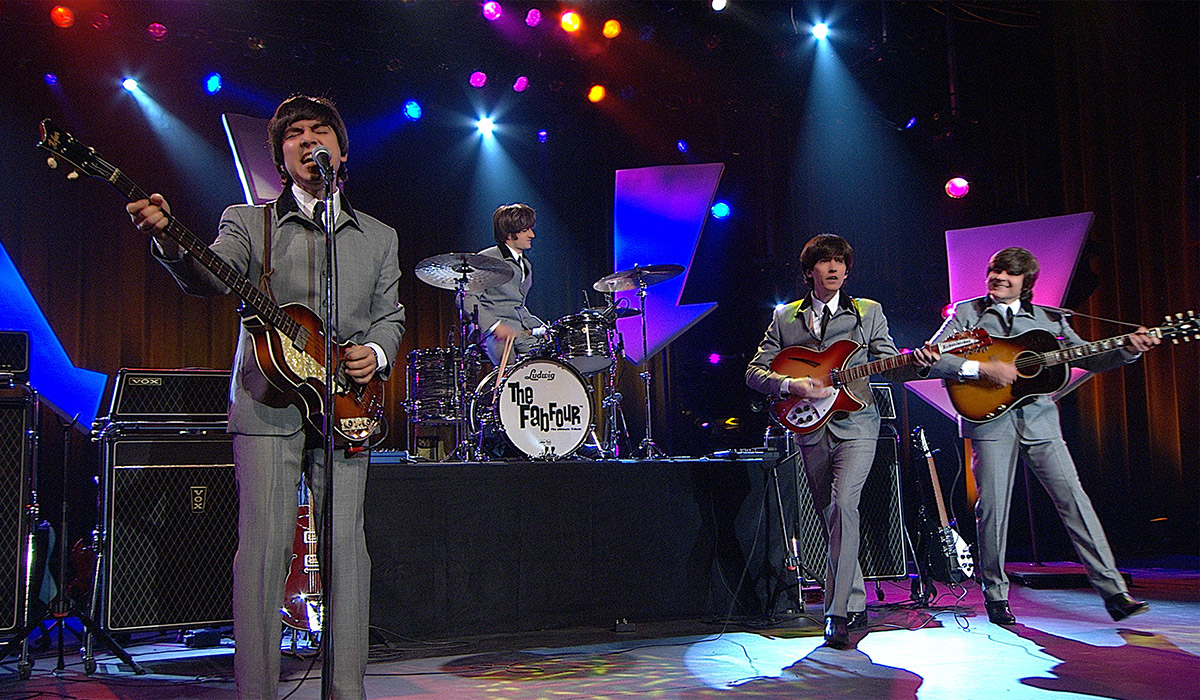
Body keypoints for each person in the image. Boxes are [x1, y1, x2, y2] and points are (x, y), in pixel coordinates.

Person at [127, 95, 405, 699]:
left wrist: (376, 354)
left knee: (345, 551)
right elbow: (209, 274)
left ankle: (345, 692)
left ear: (341, 148)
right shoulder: (246, 221)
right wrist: (172, 242)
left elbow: (392, 317)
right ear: (281, 155)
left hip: (346, 405)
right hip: (265, 402)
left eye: (320, 131)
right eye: (295, 135)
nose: (309, 142)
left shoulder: (379, 238)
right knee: (264, 552)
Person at [925, 246, 1158, 626]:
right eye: (994, 271)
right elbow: (933, 355)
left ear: (1026, 283)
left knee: (1075, 501)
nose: (998, 278)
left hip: (1040, 422)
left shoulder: (1050, 319)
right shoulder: (967, 312)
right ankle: (996, 596)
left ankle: (1114, 592)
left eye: (1008, 274)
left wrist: (1127, 350)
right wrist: (979, 369)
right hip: (989, 422)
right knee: (993, 509)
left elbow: (1087, 357)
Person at [746, 234, 936, 649]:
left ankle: (835, 614)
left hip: (858, 423)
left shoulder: (868, 312)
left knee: (843, 505)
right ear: (809, 271)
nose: (833, 268)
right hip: (809, 427)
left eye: (839, 262)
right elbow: (755, 372)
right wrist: (791, 383)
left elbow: (890, 363)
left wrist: (917, 362)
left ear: (847, 270)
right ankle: (855, 599)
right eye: (824, 262)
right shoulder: (785, 318)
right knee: (830, 513)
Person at [462, 203, 548, 367]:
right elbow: (466, 298)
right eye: (525, 230)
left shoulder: (526, 265)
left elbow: (519, 307)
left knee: (548, 355)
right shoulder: (487, 259)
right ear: (509, 234)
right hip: (491, 332)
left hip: (518, 330)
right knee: (508, 362)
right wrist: (495, 326)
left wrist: (542, 328)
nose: (532, 234)